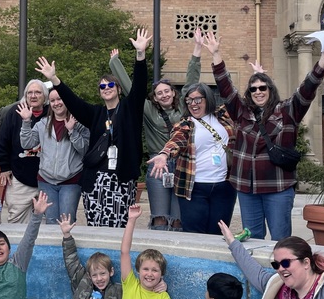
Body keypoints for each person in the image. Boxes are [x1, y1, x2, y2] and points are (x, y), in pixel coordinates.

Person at [202, 31, 324, 241]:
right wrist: (216, 55)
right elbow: (225, 87)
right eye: (253, 88)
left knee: (281, 239)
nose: (258, 91)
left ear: (270, 89)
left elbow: (307, 90)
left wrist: (322, 61)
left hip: (278, 186)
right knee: (253, 238)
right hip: (247, 188)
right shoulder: (241, 112)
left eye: (262, 87)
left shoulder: (287, 111)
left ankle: (281, 273)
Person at [37, 29, 150, 228]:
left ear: (119, 89)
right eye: (102, 87)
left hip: (121, 181)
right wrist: (55, 80)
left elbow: (140, 87)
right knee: (95, 229)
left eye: (111, 85)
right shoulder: (96, 114)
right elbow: (73, 102)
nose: (107, 88)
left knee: (119, 228)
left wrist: (140, 55)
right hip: (96, 182)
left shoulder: (129, 109)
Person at [111, 28, 204, 230]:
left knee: (179, 218)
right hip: (157, 164)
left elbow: (192, 81)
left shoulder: (184, 108)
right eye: (159, 93)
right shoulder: (148, 110)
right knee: (160, 216)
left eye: (166, 91)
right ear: (154, 97)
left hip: (181, 163)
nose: (163, 95)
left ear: (173, 92)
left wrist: (197, 49)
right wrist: (116, 62)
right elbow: (130, 88)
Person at [146, 83, 237, 234]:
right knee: (195, 235)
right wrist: (164, 154)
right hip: (194, 188)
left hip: (224, 186)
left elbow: (236, 99)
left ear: (208, 99)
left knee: (219, 233)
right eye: (189, 101)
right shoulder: (185, 124)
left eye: (197, 100)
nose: (193, 104)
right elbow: (177, 140)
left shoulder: (223, 116)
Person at [19, 90, 90, 224]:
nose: (56, 103)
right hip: (46, 181)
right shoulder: (42, 124)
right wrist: (26, 121)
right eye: (53, 101)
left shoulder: (79, 123)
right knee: (51, 222)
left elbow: (84, 150)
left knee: (67, 222)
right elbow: (27, 143)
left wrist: (72, 131)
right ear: (49, 104)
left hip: (71, 181)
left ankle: (68, 245)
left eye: (60, 99)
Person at [0, 80, 50, 223]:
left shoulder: (52, 112)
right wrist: (4, 166)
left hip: (48, 178)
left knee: (46, 222)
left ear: (45, 96)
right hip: (20, 177)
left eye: (37, 92)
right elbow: (3, 140)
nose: (33, 96)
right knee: (16, 218)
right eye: (29, 93)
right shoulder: (15, 112)